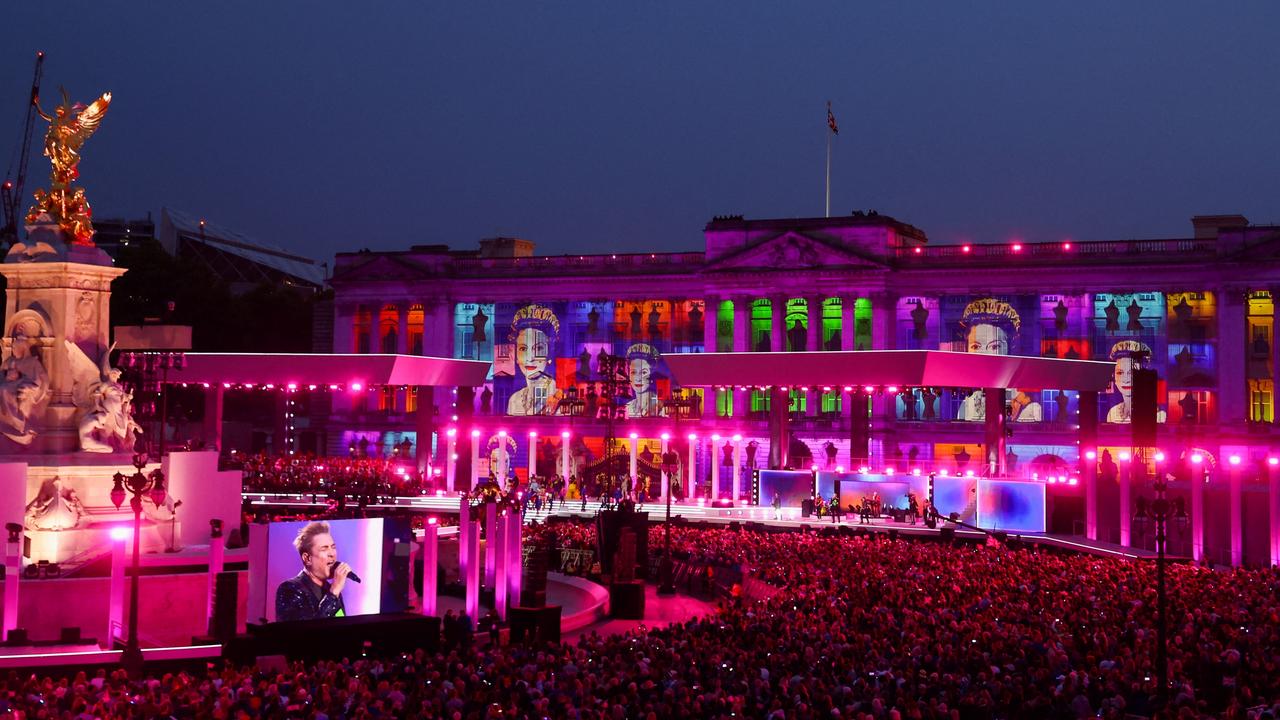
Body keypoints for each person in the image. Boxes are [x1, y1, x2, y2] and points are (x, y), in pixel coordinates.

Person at [954, 298, 1042, 422]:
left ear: (1009, 349)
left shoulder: (1029, 409)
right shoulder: (967, 405)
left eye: (995, 346)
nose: (984, 354)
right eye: (976, 346)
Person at [275, 521, 353, 622]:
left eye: (333, 547)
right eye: (324, 549)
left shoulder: (332, 590)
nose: (332, 554)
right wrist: (333, 594)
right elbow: (306, 633)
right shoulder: (289, 589)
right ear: (307, 558)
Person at [506, 305, 563, 416]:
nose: (530, 358)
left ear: (549, 355)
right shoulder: (515, 399)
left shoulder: (560, 399)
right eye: (523, 349)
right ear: (516, 356)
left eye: (539, 348)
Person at [1106, 340, 1167, 424]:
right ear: (1114, 376)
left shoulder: (1159, 415)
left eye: (1132, 372)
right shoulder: (1112, 413)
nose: (1126, 380)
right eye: (1120, 372)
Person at [624, 343, 663, 418]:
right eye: (633, 372)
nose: (638, 378)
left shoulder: (661, 408)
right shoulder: (627, 408)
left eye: (644, 372)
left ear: (651, 374)